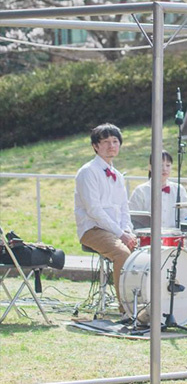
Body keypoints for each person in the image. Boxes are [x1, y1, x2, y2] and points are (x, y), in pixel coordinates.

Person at [74, 124, 136, 311]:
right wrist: (121, 235)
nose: (111, 145)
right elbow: (94, 211)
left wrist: (127, 231)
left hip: (115, 230)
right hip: (93, 229)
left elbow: (124, 208)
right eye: (106, 142)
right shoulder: (88, 171)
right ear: (95, 146)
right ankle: (126, 308)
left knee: (148, 251)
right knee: (123, 253)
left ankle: (146, 303)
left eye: (115, 141)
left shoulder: (118, 175)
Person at [129, 151, 187, 230]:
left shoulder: (179, 190)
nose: (164, 169)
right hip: (148, 237)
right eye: (160, 165)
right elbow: (134, 218)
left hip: (174, 237)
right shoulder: (140, 191)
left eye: (168, 165)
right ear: (150, 167)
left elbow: (185, 216)